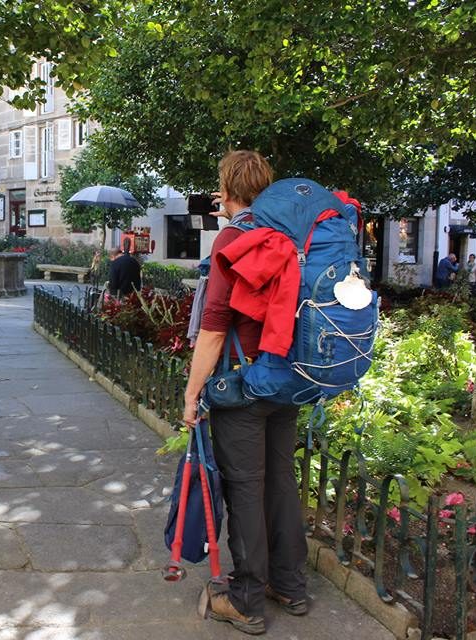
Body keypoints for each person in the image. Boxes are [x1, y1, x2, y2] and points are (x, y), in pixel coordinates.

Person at [182, 150, 307, 636]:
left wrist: (192, 394)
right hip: (286, 380)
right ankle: (290, 585)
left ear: (226, 188)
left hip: (241, 383)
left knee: (246, 490)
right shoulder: (290, 237)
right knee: (280, 481)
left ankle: (247, 598)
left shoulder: (234, 240)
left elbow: (214, 327)